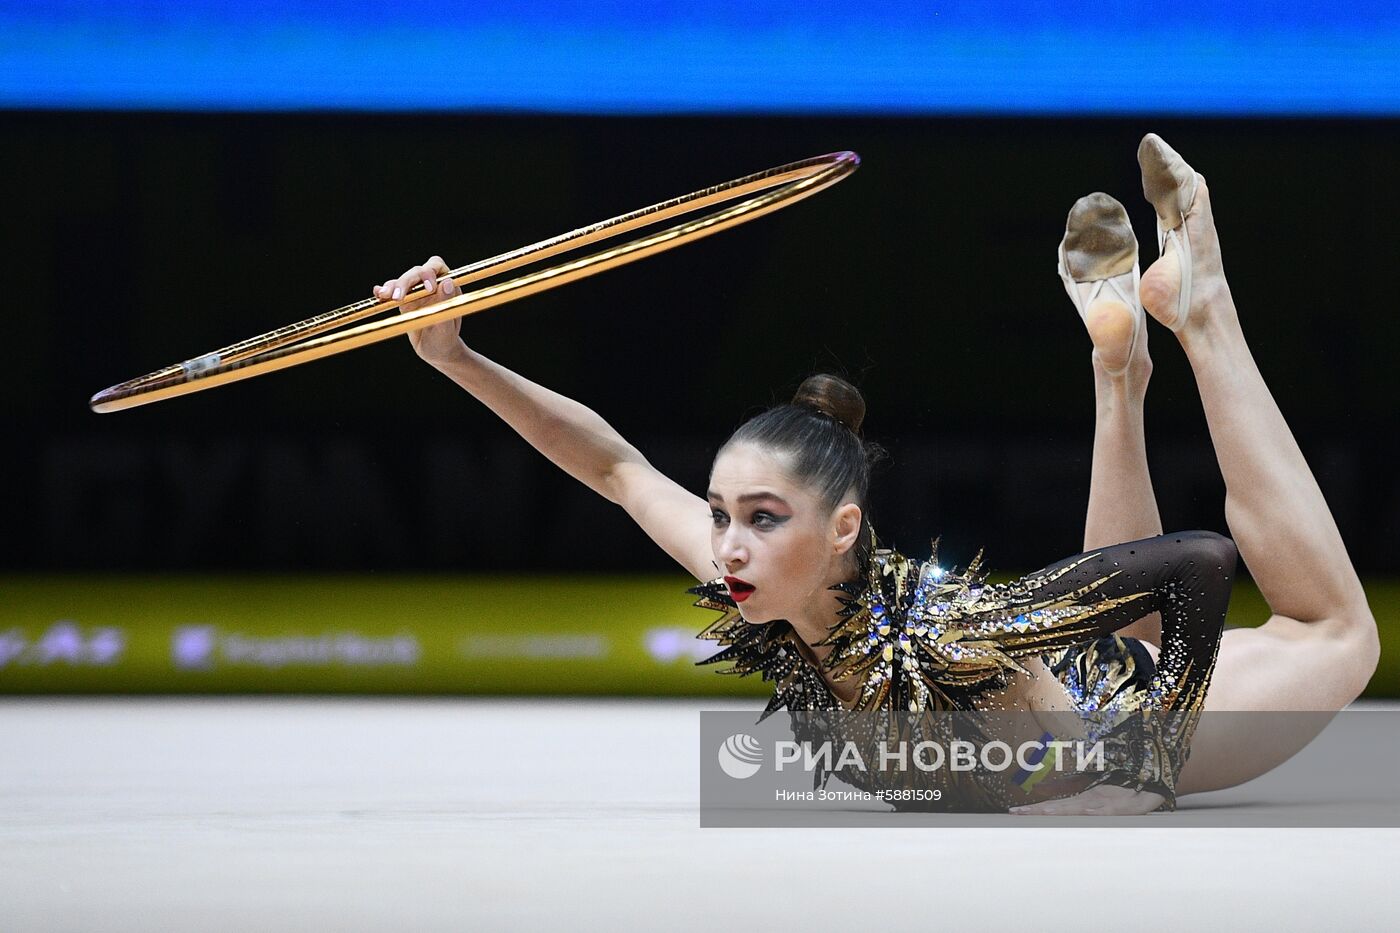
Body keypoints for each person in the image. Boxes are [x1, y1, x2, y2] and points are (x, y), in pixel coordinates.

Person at [372, 134, 1379, 815]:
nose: (724, 541)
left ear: (841, 530)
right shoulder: (768, 580)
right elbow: (616, 467)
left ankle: (1203, 320)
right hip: (1064, 697)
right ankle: (1115, 371)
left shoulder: (945, 634)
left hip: (1133, 720)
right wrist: (455, 356)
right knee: (1109, 647)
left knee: (1337, 635)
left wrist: (1150, 759)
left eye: (759, 519)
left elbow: (1198, 562)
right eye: (724, 513)